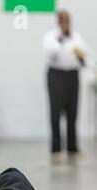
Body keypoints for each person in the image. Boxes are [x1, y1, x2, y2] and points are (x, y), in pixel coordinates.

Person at [43, 10, 89, 164]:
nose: (65, 23)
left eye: (67, 20)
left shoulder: (76, 37)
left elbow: (83, 55)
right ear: (58, 21)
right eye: (62, 20)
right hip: (56, 74)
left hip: (72, 75)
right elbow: (52, 52)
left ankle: (72, 147)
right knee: (55, 112)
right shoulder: (51, 37)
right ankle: (56, 149)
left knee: (72, 111)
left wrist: (81, 56)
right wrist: (62, 37)